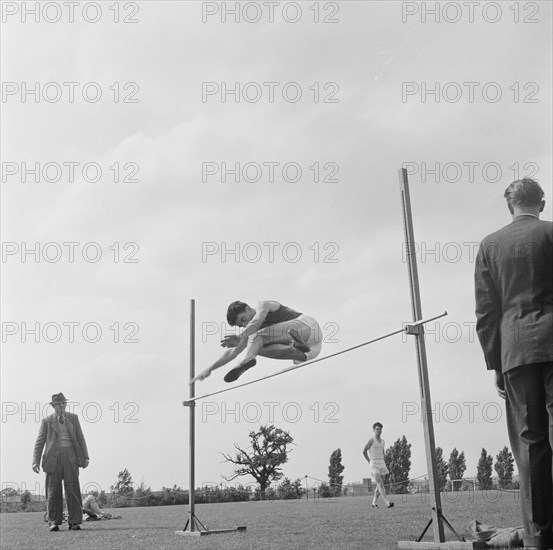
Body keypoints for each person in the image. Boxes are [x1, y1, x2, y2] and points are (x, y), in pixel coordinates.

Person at [475, 178, 552, 550]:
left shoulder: (490, 245)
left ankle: (539, 539)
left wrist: (495, 364)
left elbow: (486, 312)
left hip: (516, 352)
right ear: (542, 202)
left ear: (510, 207)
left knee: (530, 443)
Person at [191, 300, 322, 383]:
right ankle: (297, 350)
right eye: (241, 325)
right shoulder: (250, 332)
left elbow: (256, 321)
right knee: (254, 346)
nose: (244, 324)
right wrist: (209, 369)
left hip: (307, 327)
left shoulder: (263, 305)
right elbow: (233, 352)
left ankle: (246, 361)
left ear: (248, 308)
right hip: (311, 351)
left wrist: (241, 336)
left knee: (255, 337)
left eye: (243, 320)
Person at [32, 393, 89, 532]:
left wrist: (85, 457)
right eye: (58, 404)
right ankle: (53, 522)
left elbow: (81, 438)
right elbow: (39, 442)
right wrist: (35, 462)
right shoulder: (47, 421)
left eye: (64, 403)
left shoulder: (73, 418)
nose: (62, 406)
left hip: (71, 458)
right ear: (53, 406)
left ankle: (75, 522)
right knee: (53, 492)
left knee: (73, 490)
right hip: (52, 459)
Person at [362, 422, 394, 508]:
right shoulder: (371, 440)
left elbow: (383, 453)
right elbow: (364, 451)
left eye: (380, 429)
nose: (379, 431)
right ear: (373, 430)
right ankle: (387, 502)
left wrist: (385, 461)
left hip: (382, 463)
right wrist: (369, 461)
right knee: (380, 483)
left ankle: (374, 503)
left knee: (379, 485)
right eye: (377, 429)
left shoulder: (383, 441)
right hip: (373, 463)